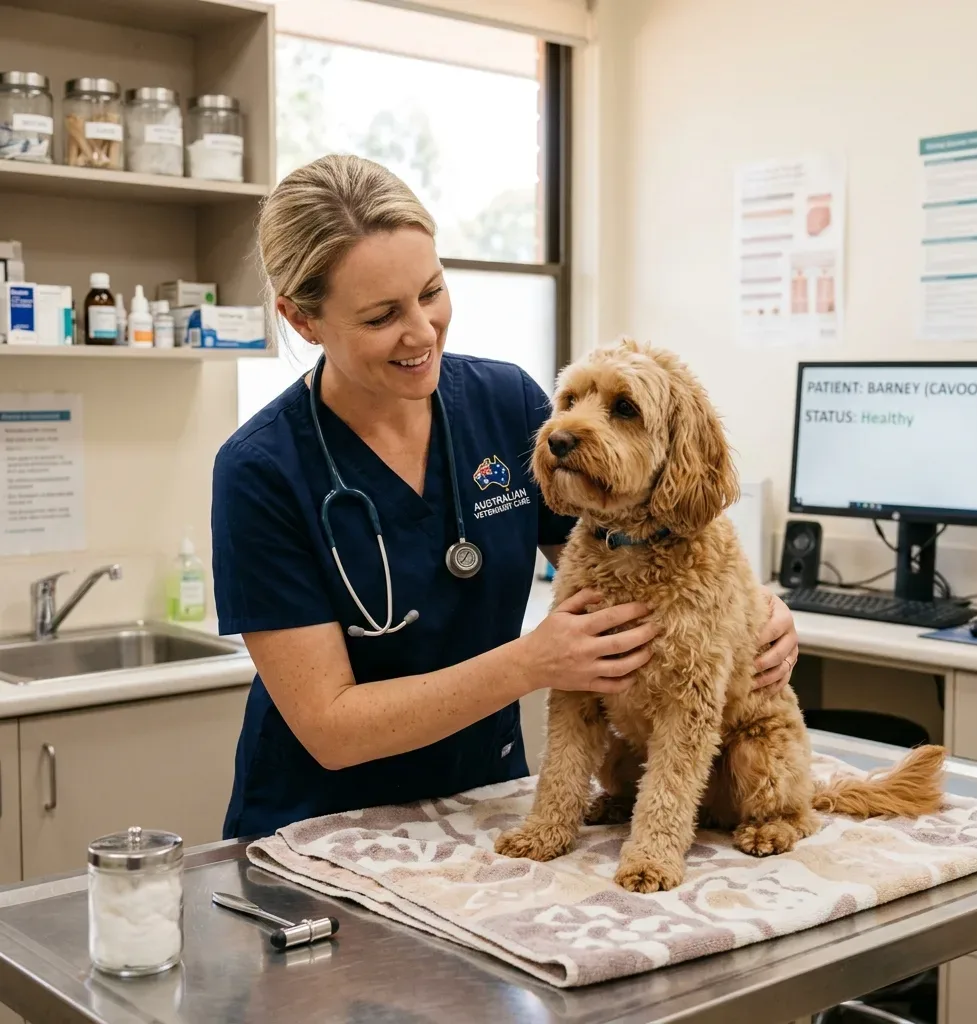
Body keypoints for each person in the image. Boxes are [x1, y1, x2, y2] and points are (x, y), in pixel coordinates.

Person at [211, 154, 800, 839]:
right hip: (320, 828)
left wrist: (753, 612)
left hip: (483, 809)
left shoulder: (505, 403)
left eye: (431, 291)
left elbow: (634, 552)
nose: (423, 332)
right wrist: (532, 662)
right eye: (380, 317)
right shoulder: (261, 471)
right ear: (302, 320)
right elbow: (330, 727)